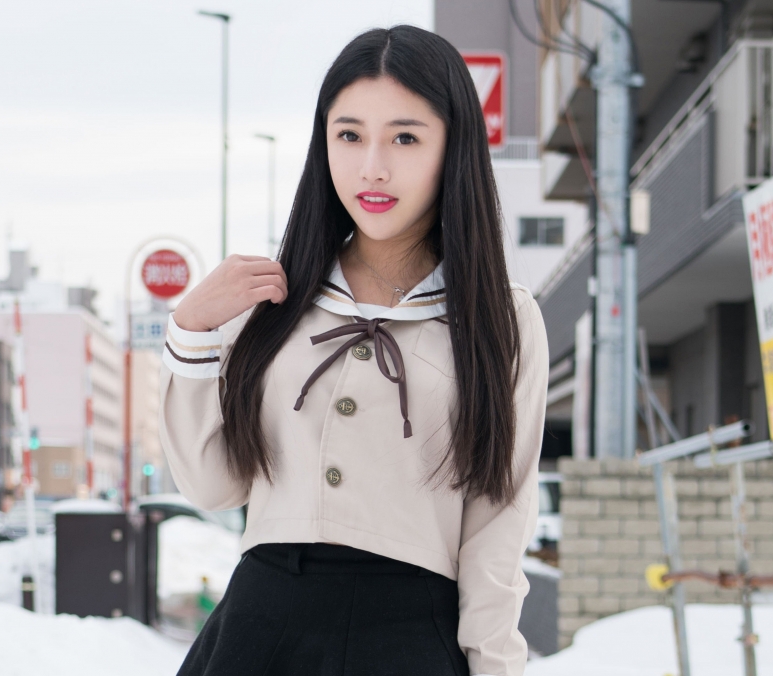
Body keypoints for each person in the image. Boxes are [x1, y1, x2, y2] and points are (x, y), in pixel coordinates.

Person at [160, 25, 548, 676]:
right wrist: (191, 332)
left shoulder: (500, 318)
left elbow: (497, 525)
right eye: (349, 135)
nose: (372, 166)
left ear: (451, 146)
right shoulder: (271, 298)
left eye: (404, 137)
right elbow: (214, 484)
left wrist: (495, 666)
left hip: (411, 635)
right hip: (263, 626)